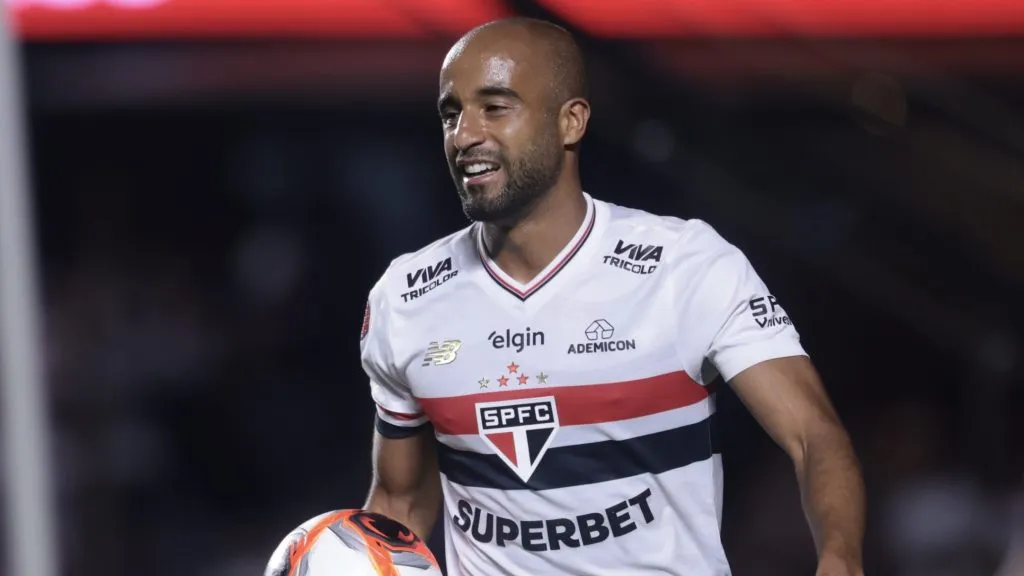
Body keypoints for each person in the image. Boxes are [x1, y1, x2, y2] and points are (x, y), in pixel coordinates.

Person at [359, 17, 865, 576]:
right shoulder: (405, 296)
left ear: (570, 121)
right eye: (451, 113)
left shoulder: (686, 265)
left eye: (495, 108)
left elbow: (812, 436)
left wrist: (839, 559)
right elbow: (399, 503)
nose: (465, 135)